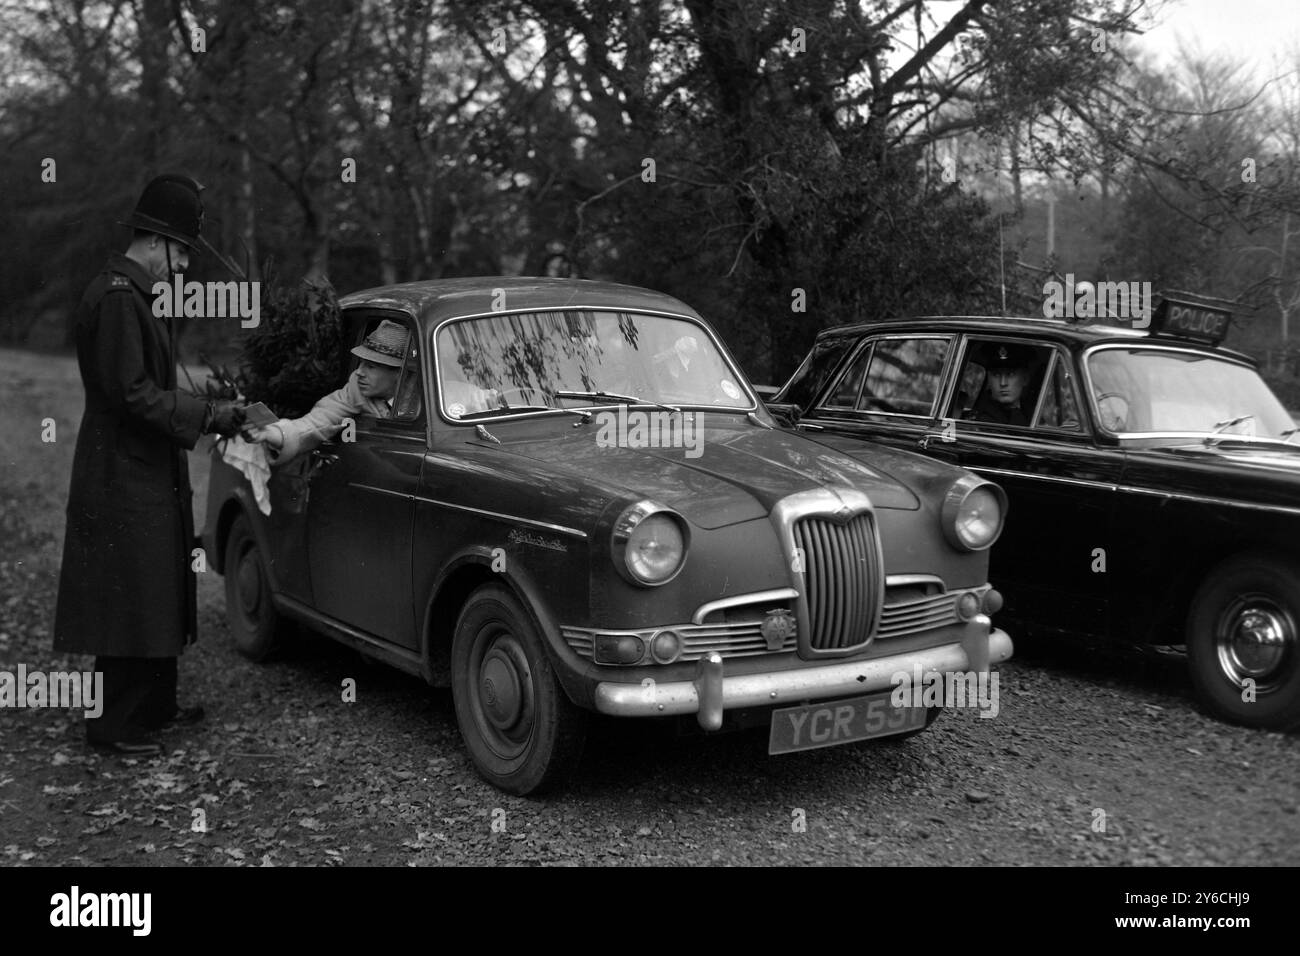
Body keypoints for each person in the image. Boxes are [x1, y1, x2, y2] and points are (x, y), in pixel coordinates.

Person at [53, 173, 245, 756]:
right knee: (128, 590)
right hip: (121, 470)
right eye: (182, 251)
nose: (183, 266)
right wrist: (209, 413)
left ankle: (154, 707)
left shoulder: (136, 295)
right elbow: (132, 394)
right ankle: (112, 725)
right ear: (156, 240)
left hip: (144, 464)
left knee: (156, 582)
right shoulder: (117, 298)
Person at [245, 319, 408, 463]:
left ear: (400, 373)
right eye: (361, 363)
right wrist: (272, 433)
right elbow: (316, 422)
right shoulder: (356, 389)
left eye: (371, 366)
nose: (359, 372)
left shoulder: (427, 399)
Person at [966, 344, 1034, 427]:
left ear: (1025, 379)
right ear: (989, 380)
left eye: (1010, 374)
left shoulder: (1032, 411)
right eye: (996, 375)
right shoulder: (983, 420)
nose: (1003, 383)